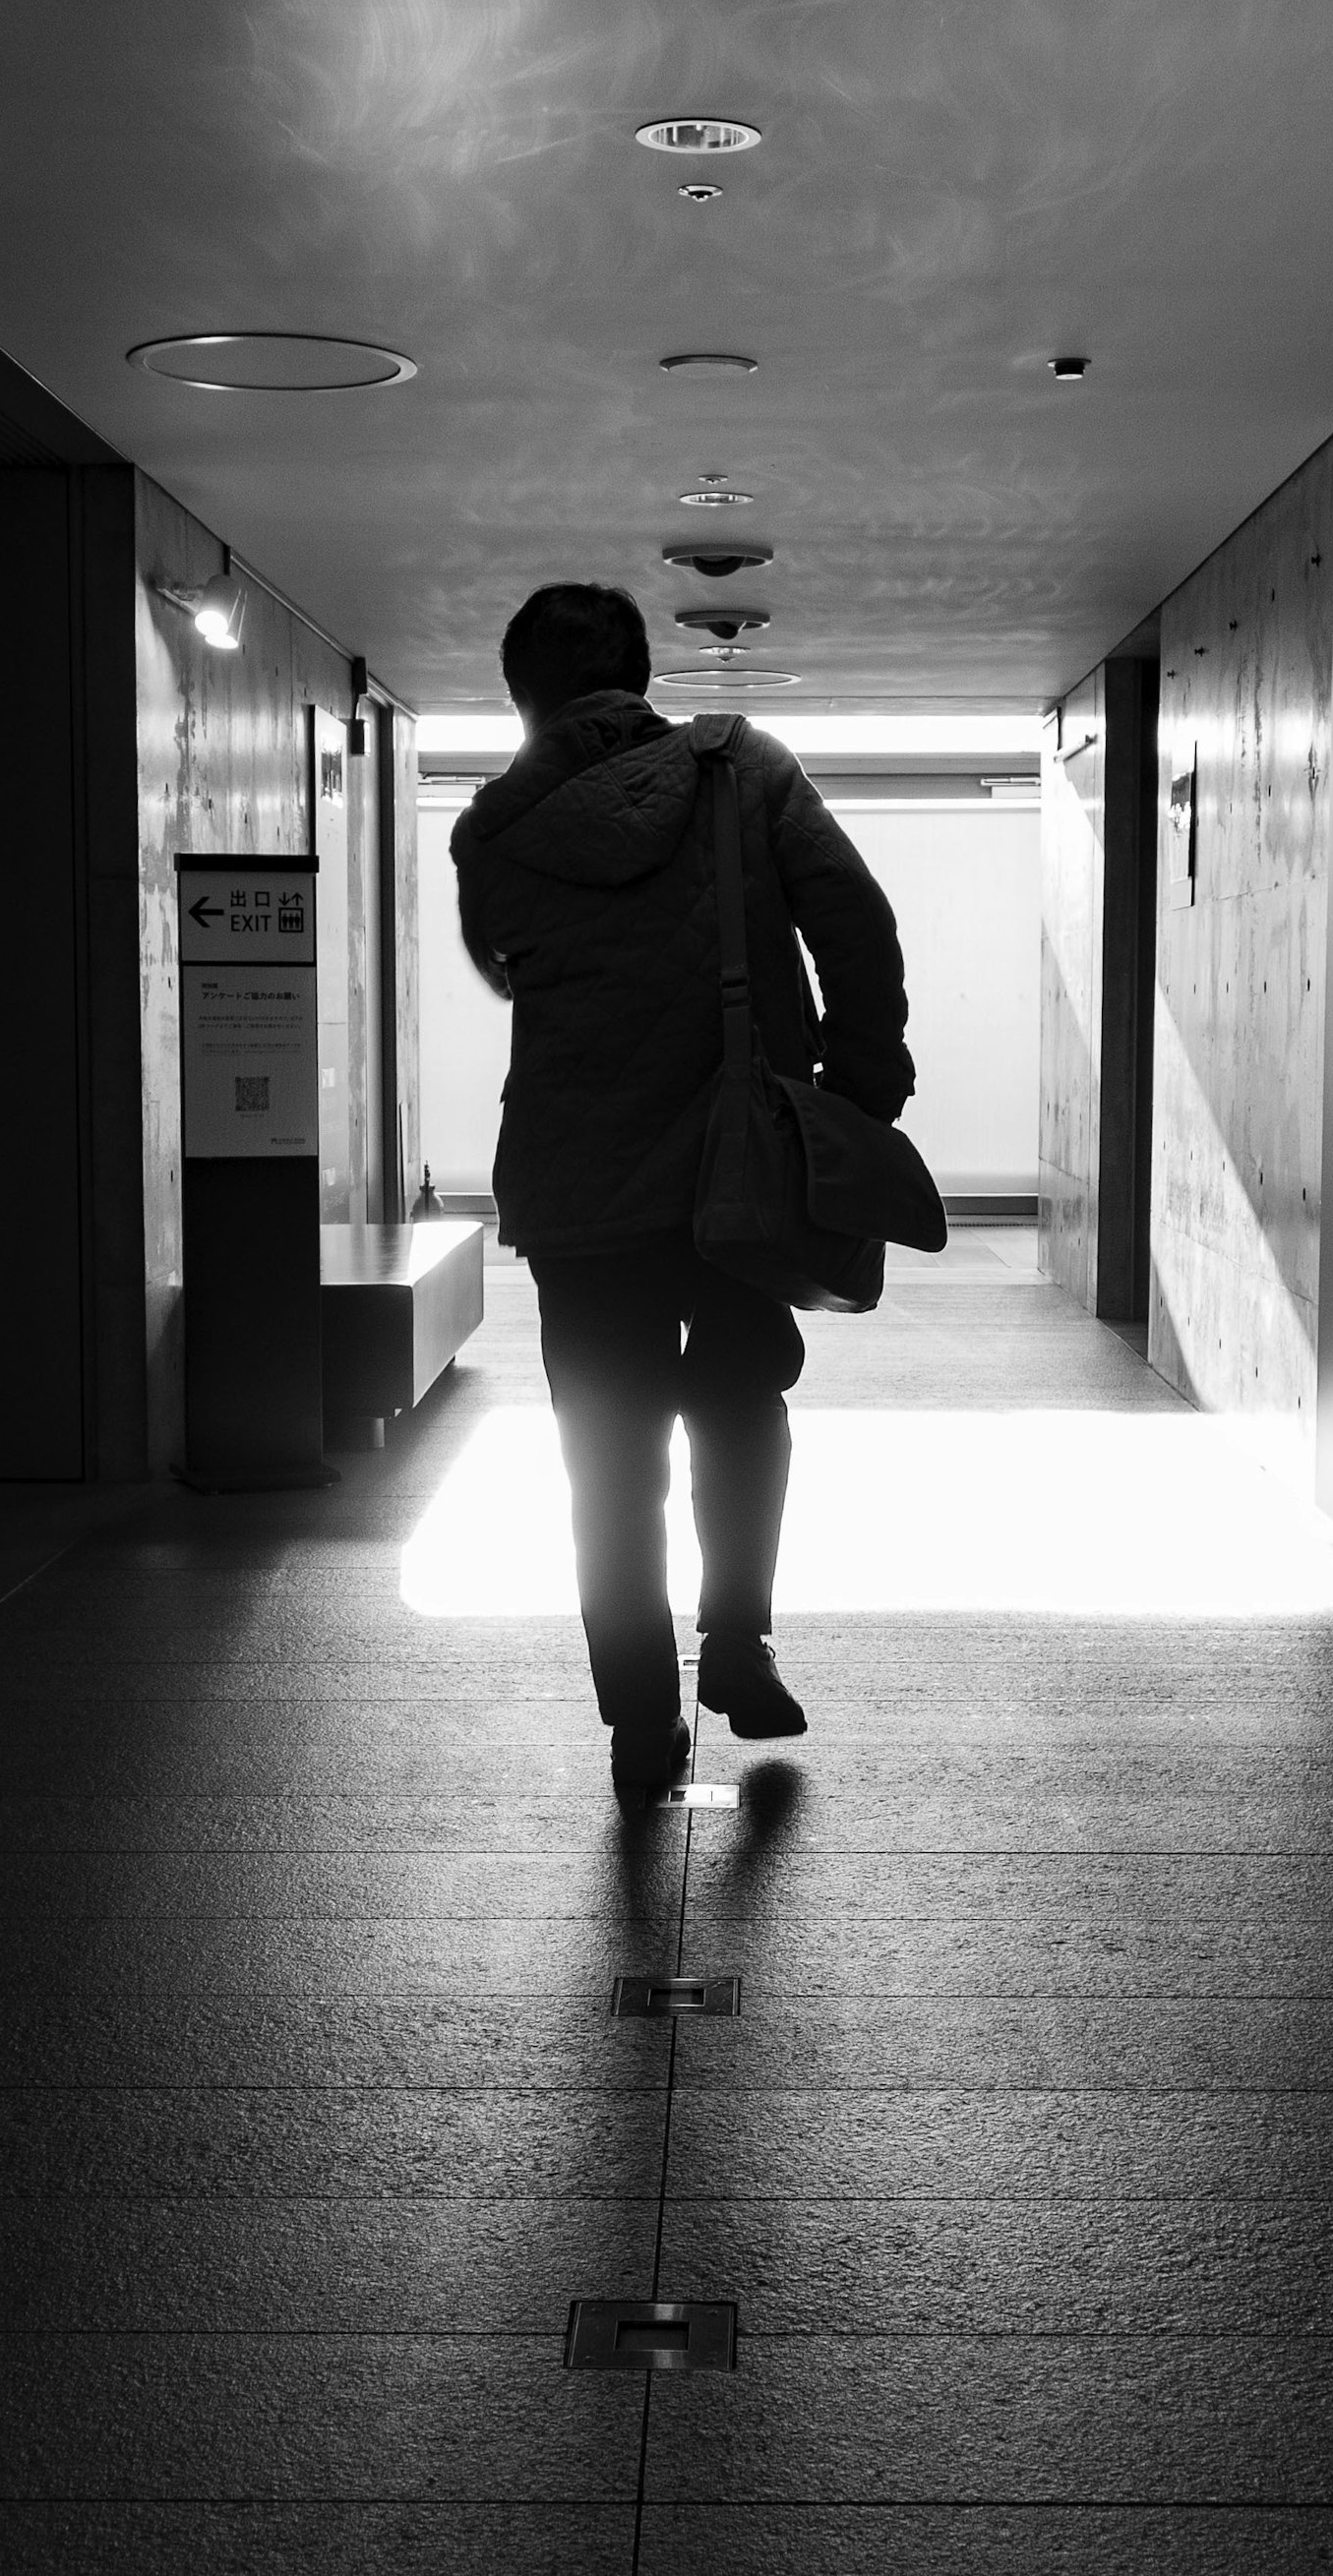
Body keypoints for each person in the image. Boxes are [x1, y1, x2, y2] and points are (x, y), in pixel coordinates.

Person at [450, 584, 914, 1800]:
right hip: (738, 1167)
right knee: (743, 1395)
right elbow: (854, 921)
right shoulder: (742, 768)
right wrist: (863, 1082)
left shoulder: (494, 830)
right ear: (642, 672)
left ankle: (637, 1718)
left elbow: (506, 965)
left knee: (606, 1453)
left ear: (523, 698)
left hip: (578, 1183)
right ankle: (741, 1637)